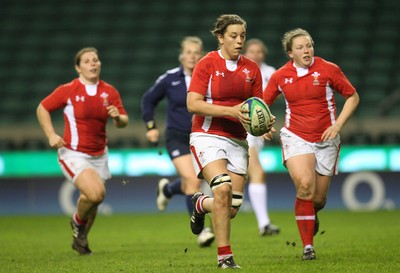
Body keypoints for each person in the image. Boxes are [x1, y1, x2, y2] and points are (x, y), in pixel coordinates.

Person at [263, 28, 360, 260]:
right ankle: (308, 247)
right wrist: (264, 125)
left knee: (318, 199)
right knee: (305, 186)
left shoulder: (329, 69)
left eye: (309, 46)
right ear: (290, 53)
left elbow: (353, 96)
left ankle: (310, 213)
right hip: (295, 137)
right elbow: (262, 103)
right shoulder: (280, 76)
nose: (306, 50)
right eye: (300, 47)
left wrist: (337, 126)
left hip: (327, 140)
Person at [187, 14, 274, 269]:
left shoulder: (252, 69)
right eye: (233, 36)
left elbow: (258, 107)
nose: (238, 41)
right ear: (220, 37)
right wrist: (231, 111)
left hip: (238, 140)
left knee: (231, 207)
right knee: (222, 189)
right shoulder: (207, 64)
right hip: (206, 136)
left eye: (242, 36)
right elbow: (193, 104)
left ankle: (201, 204)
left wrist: (265, 125)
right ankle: (225, 257)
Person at [36, 47, 129, 255]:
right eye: (87, 61)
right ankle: (78, 223)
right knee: (96, 194)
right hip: (73, 153)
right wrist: (51, 135)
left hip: (100, 154)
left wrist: (117, 117)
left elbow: (123, 121)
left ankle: (81, 241)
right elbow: (42, 108)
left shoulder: (110, 91)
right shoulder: (68, 90)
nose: (93, 64)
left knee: (94, 201)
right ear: (78, 68)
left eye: (95, 60)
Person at [140, 36, 215, 247]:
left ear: (202, 55)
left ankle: (167, 190)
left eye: (196, 52)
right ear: (181, 56)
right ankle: (201, 230)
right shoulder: (169, 78)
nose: (192, 56)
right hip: (177, 137)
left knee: (191, 181)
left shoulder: (210, 78)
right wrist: (151, 126)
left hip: (202, 136)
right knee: (193, 180)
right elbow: (148, 99)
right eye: (188, 52)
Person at [243, 38, 280, 236]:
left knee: (236, 178)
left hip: (258, 129)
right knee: (257, 172)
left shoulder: (270, 72)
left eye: (259, 51)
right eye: (252, 51)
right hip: (244, 127)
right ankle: (263, 223)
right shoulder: (242, 70)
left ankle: (209, 214)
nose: (255, 55)